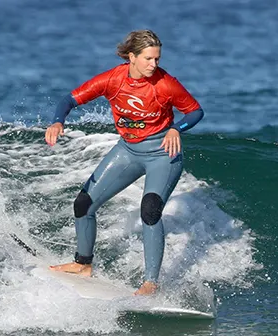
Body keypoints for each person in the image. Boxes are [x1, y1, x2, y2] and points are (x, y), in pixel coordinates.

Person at [45, 29, 204, 295]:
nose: (154, 65)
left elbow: (195, 111)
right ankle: (83, 264)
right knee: (83, 203)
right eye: (148, 59)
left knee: (150, 210)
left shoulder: (166, 83)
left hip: (163, 154)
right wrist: (58, 121)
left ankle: (150, 283)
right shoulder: (112, 80)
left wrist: (177, 128)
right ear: (132, 57)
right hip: (128, 150)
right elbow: (69, 100)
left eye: (157, 59)